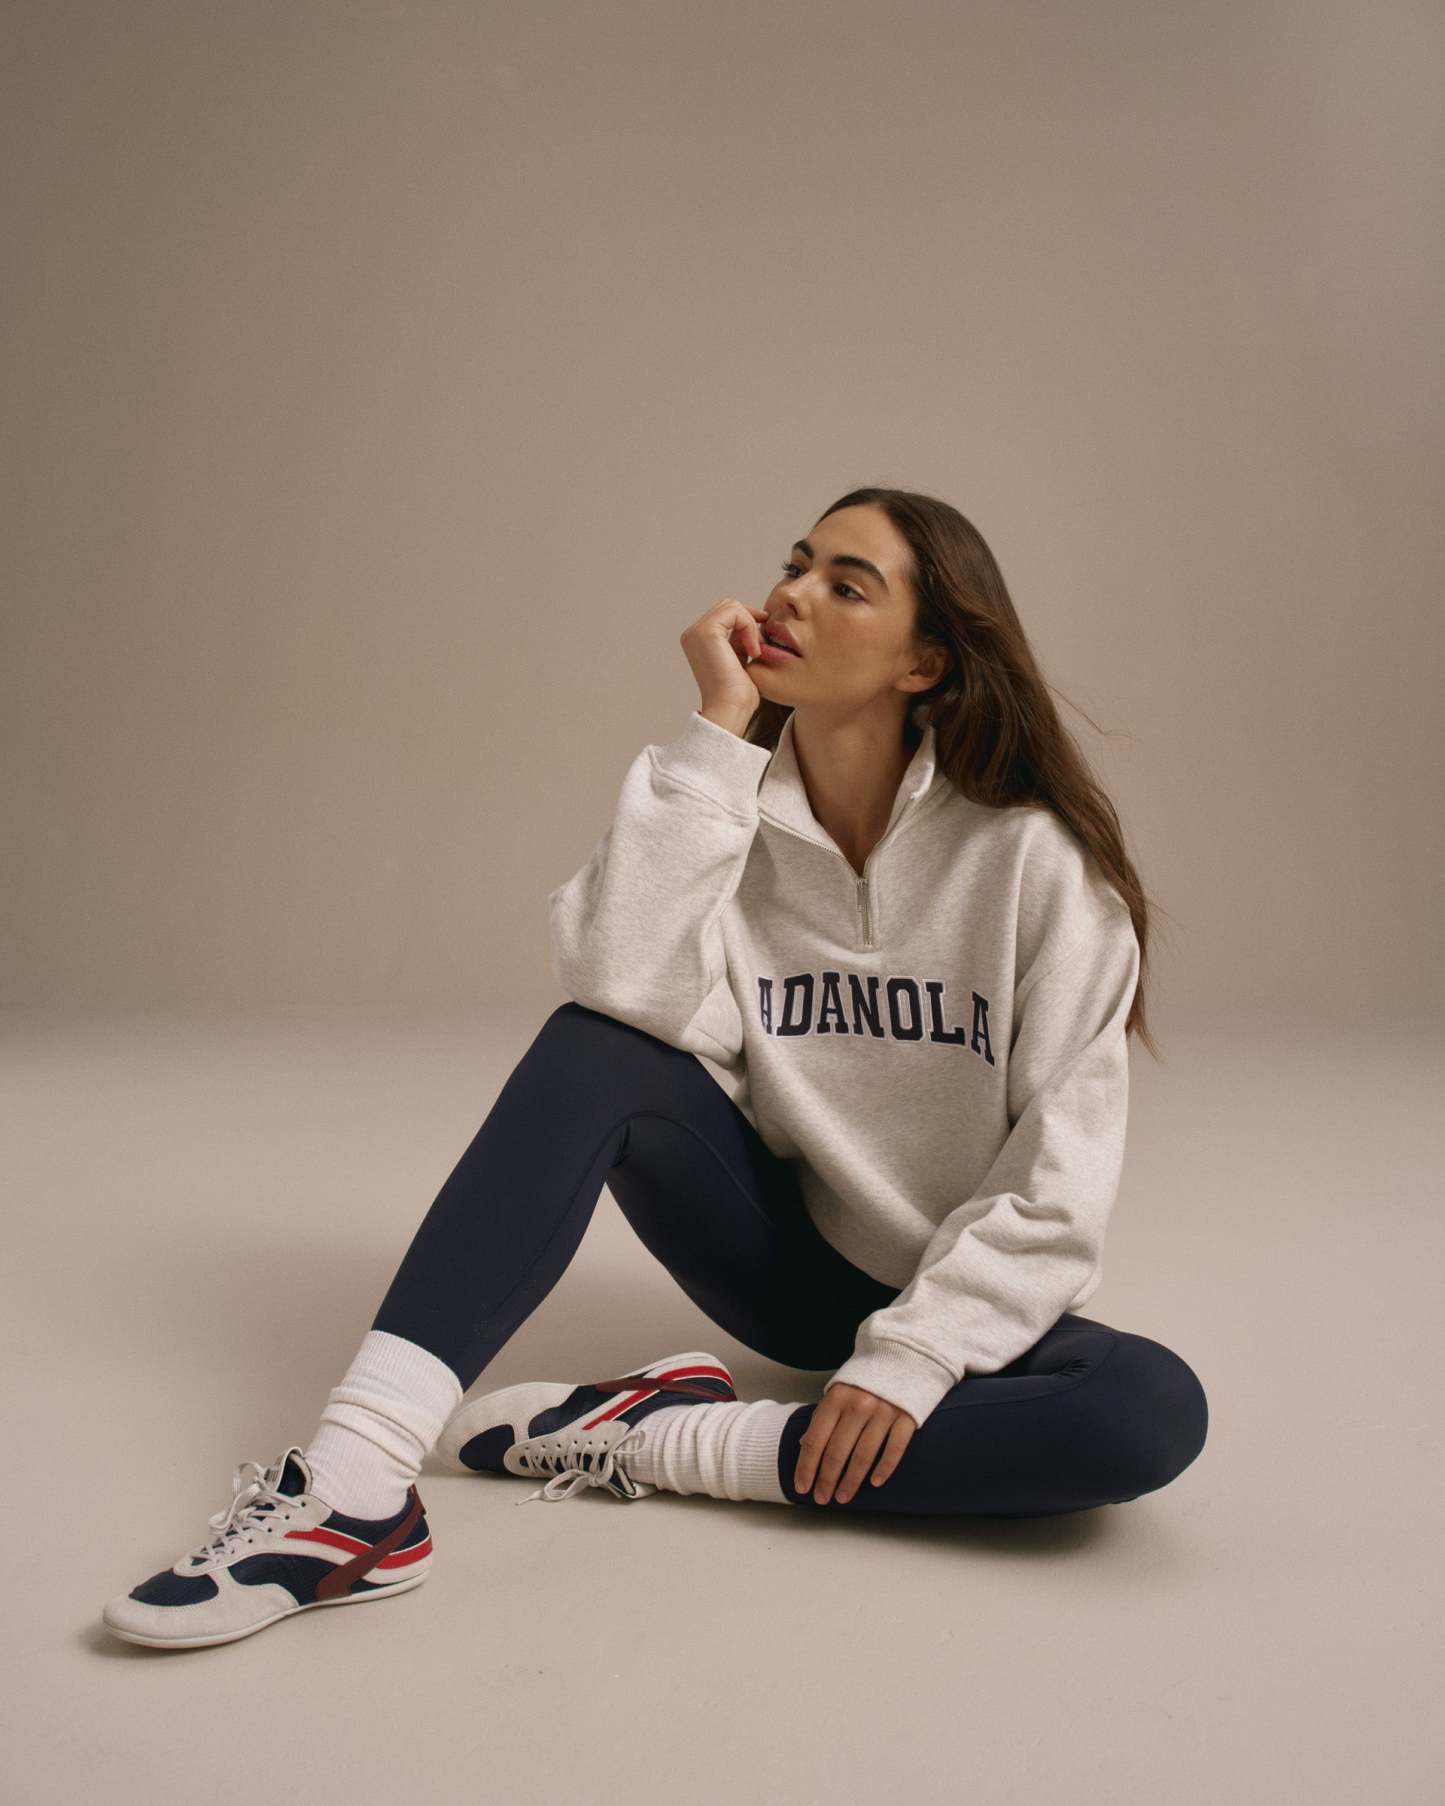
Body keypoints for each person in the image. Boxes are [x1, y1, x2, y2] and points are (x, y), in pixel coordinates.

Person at [102, 488, 1208, 1649]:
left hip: (967, 1294)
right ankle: (353, 1487)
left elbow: (1055, 1185)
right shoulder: (718, 808)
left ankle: (658, 1439)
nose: (790, 594)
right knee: (596, 1050)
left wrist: (918, 1354)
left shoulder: (1035, 864)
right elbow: (614, 988)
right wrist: (719, 733)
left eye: (845, 585)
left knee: (1142, 1413)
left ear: (923, 662)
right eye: (795, 563)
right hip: (786, 1269)